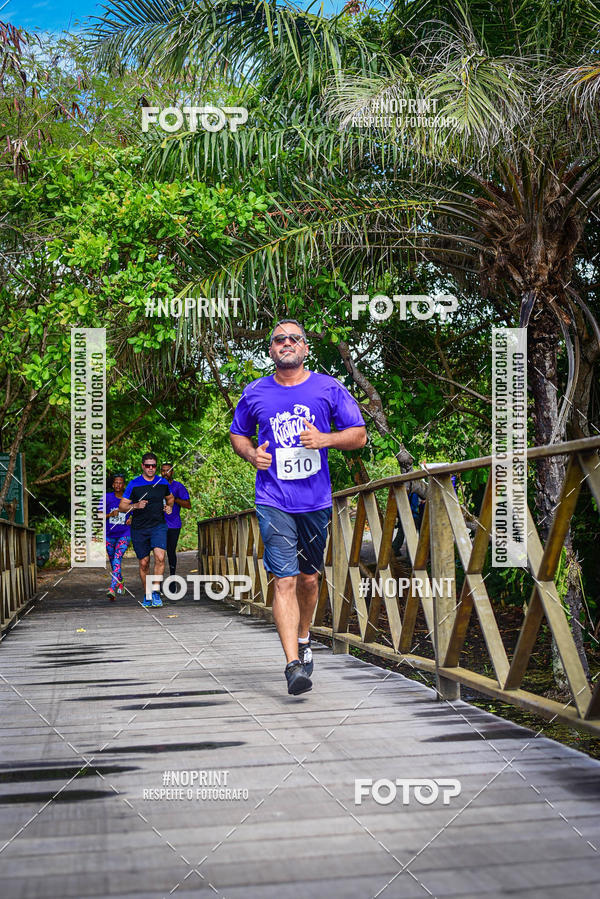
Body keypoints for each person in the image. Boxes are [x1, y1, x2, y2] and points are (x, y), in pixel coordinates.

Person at [230, 319, 367, 695]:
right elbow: (237, 432)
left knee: (309, 578)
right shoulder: (255, 392)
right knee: (285, 579)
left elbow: (359, 434)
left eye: (294, 339)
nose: (286, 343)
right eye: (278, 340)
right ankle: (292, 665)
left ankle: (304, 638)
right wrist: (249, 453)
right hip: (272, 499)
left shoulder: (328, 387)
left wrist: (325, 439)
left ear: (306, 348)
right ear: (271, 350)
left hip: (315, 501)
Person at [118, 453, 174, 608]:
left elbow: (170, 498)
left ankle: (156, 592)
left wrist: (169, 507)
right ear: (142, 466)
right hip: (139, 528)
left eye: (154, 466)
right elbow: (122, 507)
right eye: (148, 465)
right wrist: (135, 506)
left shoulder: (162, 482)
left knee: (160, 557)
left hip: (158, 526)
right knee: (144, 563)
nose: (151, 468)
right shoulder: (134, 484)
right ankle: (148, 594)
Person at [160, 463, 192, 577]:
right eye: (163, 471)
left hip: (174, 524)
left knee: (171, 551)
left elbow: (188, 505)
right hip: (158, 525)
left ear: (172, 472)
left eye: (168, 471)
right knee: (159, 554)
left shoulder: (178, 486)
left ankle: (172, 577)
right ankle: (159, 579)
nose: (165, 473)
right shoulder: (156, 486)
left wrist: (174, 498)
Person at [104, 474, 131, 601]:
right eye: (116, 482)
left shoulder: (128, 498)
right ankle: (120, 580)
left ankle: (112, 588)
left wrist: (131, 518)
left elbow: (136, 512)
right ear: (113, 484)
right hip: (109, 535)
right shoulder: (106, 497)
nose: (118, 485)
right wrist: (110, 514)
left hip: (124, 534)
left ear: (123, 485)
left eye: (120, 483)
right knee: (113, 562)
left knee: (117, 559)